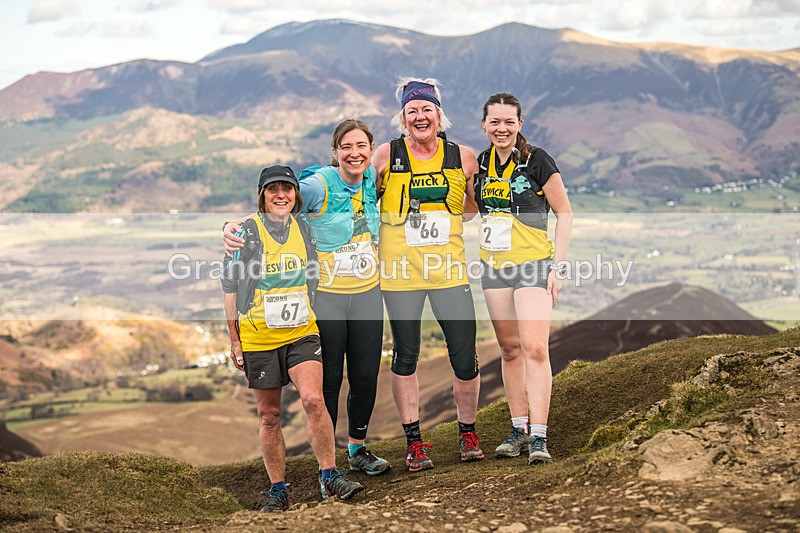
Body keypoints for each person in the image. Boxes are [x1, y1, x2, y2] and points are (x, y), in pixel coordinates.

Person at [223, 120, 391, 476]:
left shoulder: (372, 180)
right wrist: (233, 228)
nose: (354, 153)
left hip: (366, 294)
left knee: (364, 376)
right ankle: (326, 466)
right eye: (346, 147)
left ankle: (358, 448)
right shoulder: (317, 185)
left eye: (361, 146)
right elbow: (279, 202)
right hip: (327, 298)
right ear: (335, 152)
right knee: (327, 382)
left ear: (371, 148)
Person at [220, 165, 364, 512]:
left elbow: (343, 214)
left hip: (302, 331)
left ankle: (329, 475)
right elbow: (229, 289)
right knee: (269, 415)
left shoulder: (304, 226)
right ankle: (278, 489)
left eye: (287, 188)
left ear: (296, 194)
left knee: (314, 400)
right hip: (259, 337)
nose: (280, 194)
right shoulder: (246, 235)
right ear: (262, 196)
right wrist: (235, 339)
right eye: (273, 190)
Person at [372, 78, 483, 472]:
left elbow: (470, 212)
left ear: (439, 115)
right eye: (412, 111)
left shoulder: (462, 156)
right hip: (400, 274)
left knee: (465, 358)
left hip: (448, 271)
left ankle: (468, 432)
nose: (420, 116)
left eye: (427, 109)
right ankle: (414, 442)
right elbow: (358, 195)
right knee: (406, 356)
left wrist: (464, 195)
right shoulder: (385, 155)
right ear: (403, 118)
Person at [473, 92, 573, 465]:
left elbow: (565, 213)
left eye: (509, 121)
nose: (502, 128)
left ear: (520, 123)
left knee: (535, 348)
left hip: (533, 265)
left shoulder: (537, 160)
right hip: (493, 266)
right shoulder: (480, 163)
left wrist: (557, 268)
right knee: (510, 349)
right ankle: (517, 429)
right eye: (494, 122)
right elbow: (471, 209)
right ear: (484, 124)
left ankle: (540, 436)